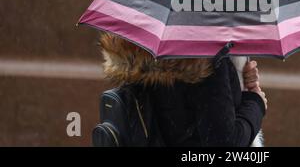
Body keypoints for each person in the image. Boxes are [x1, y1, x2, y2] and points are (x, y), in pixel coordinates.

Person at [99, 32, 268, 147]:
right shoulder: (205, 58)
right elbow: (224, 143)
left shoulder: (138, 47)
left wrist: (239, 86)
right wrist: (255, 102)